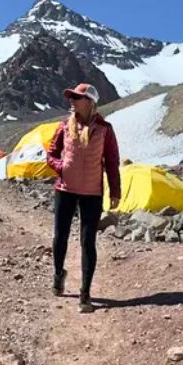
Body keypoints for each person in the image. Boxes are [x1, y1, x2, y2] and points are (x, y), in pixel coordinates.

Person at [46, 83, 121, 313]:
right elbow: (51, 154)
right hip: (65, 189)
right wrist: (62, 168)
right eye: (71, 97)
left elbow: (112, 162)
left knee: (88, 241)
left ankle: (85, 293)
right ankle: (58, 274)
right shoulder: (64, 126)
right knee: (60, 236)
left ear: (90, 101)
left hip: (92, 193)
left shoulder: (105, 129)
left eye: (77, 97)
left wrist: (115, 191)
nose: (72, 101)